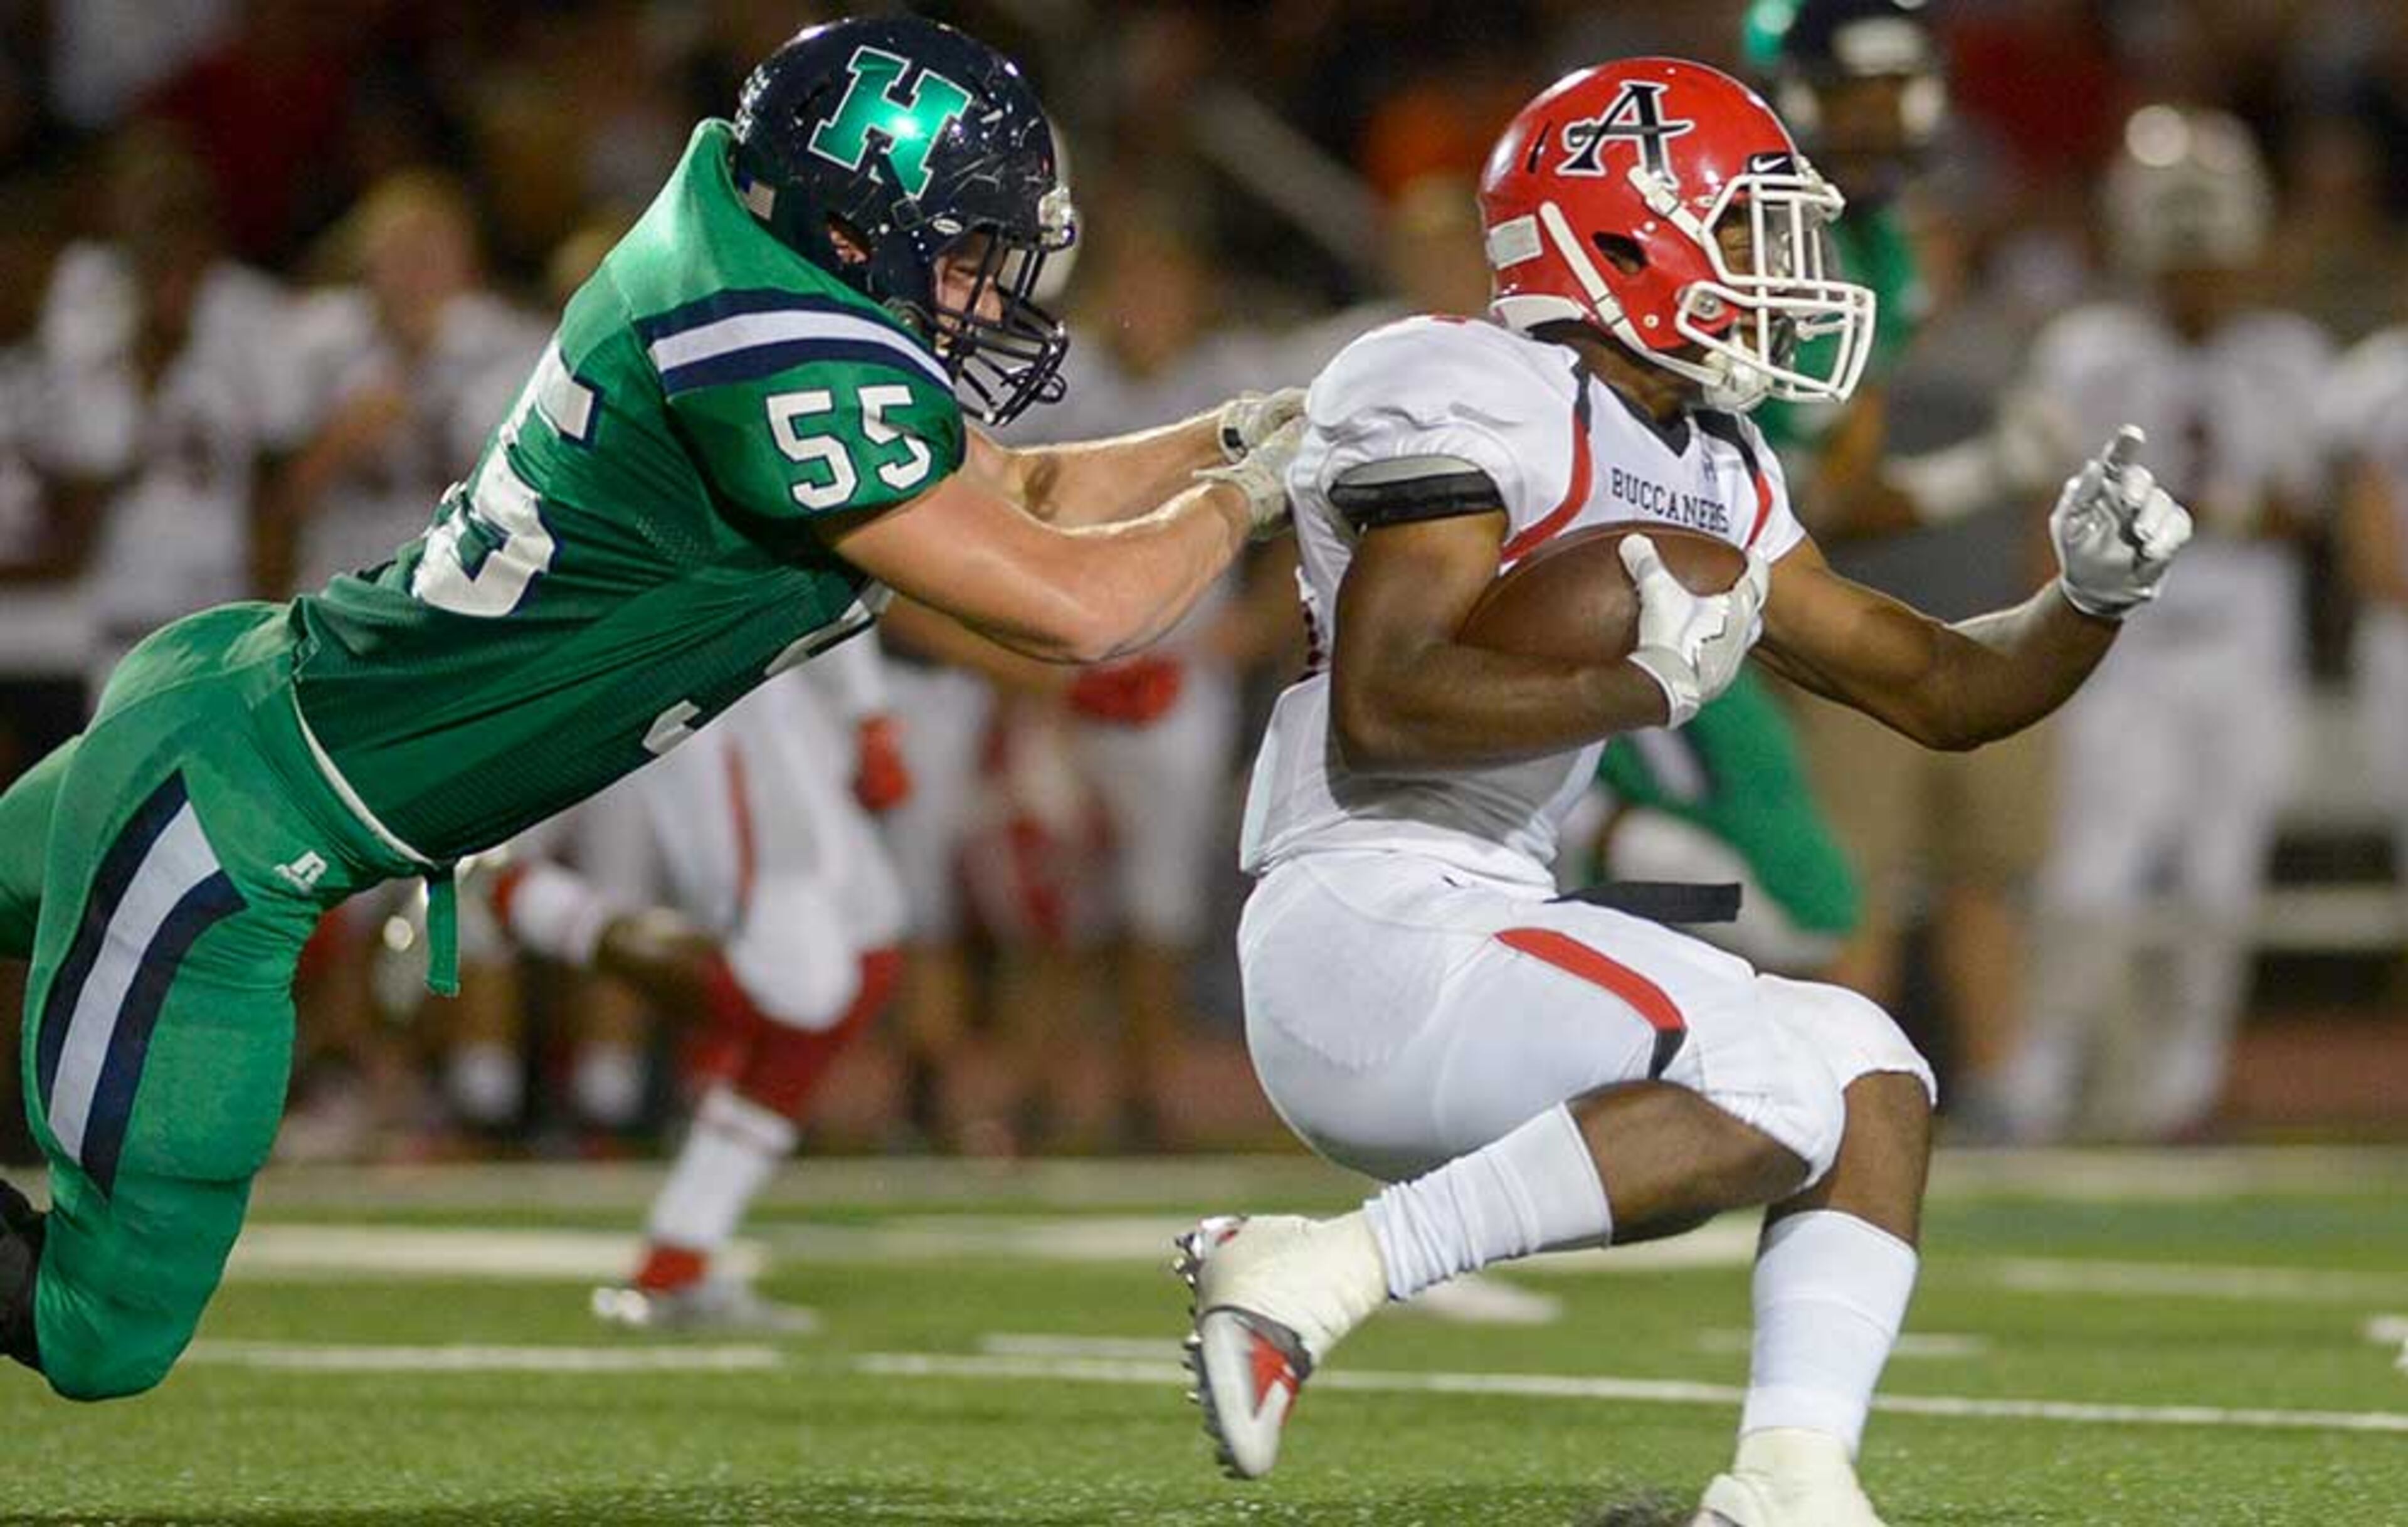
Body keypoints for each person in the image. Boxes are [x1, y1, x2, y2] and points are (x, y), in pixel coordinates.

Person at [0, 14, 1302, 1403]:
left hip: (233, 705)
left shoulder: (754, 273)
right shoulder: (772, 349)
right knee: (102, 1332)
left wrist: (1230, 432)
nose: (989, 292)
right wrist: (1255, 497)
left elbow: (1026, 489)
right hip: (242, 818)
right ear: (857, 229)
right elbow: (1075, 606)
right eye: (970, 250)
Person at [1176, 59, 2191, 1527]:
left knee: (1867, 1067)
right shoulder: (1457, 380)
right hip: (1363, 919)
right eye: (1747, 229)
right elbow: (1385, 708)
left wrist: (2084, 598)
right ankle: (1315, 1266)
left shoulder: (1710, 460)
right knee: (1768, 1075)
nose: (1783, 271)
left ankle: (1788, 1477)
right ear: (1623, 234)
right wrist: (1631, 688)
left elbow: (1936, 689)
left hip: (1488, 925)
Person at [2000, 107, 2331, 1144]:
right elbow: (2040, 506)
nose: (2196, 276)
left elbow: (2299, 509)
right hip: (2125, 630)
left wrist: (2211, 509)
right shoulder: (2088, 349)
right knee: (2093, 870)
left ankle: (2181, 1086)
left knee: (2219, 878)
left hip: (2243, 631)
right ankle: (2046, 1074)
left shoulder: (2289, 353)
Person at [486, 638, 909, 1329]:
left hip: (785, 673)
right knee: (797, 989)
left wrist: (868, 709)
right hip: (720, 672)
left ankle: (677, 1261)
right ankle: (516, 895)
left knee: (868, 952)